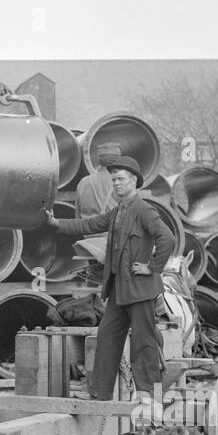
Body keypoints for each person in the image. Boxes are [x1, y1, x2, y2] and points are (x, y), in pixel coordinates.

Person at [47, 154, 176, 399]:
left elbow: (166, 239)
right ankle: (99, 393)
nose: (116, 184)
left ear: (134, 183)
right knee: (106, 340)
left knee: (143, 343)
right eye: (114, 179)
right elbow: (87, 225)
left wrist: (152, 267)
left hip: (140, 290)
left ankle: (146, 393)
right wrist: (56, 224)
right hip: (118, 291)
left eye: (121, 179)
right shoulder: (117, 213)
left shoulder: (144, 211)